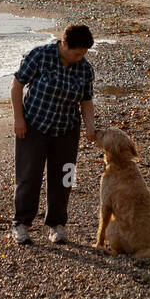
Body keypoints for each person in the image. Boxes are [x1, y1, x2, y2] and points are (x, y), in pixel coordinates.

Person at [11, 22, 96, 245]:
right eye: (77, 52)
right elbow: (17, 85)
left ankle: (57, 225)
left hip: (67, 129)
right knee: (28, 176)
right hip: (33, 125)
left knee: (65, 178)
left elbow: (86, 101)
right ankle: (21, 224)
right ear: (64, 43)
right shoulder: (39, 56)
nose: (81, 57)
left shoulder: (85, 69)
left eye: (84, 53)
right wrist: (18, 119)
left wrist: (90, 127)